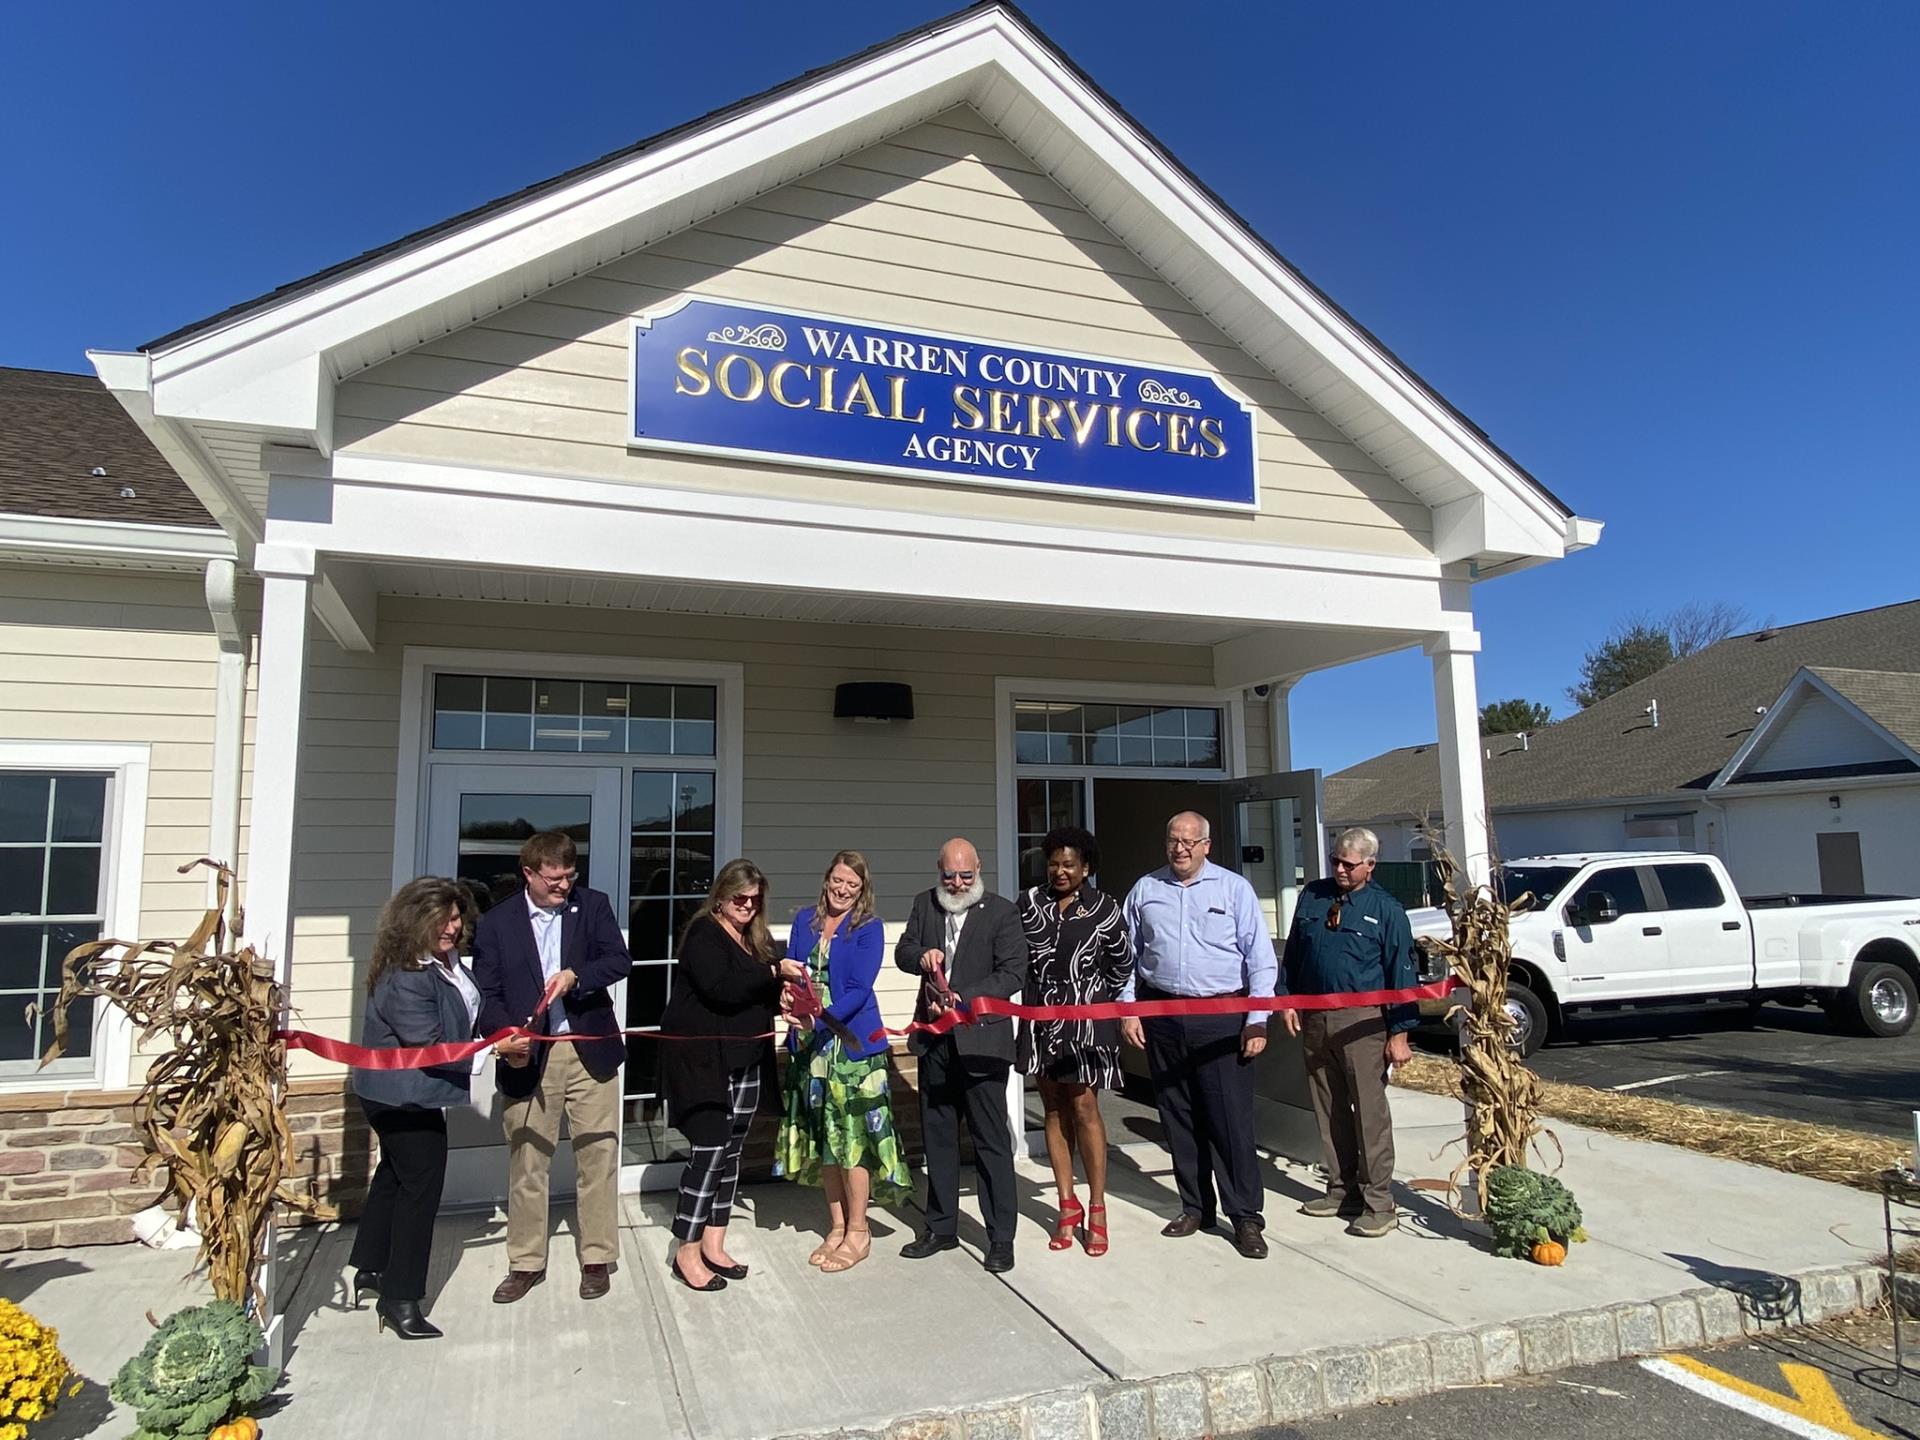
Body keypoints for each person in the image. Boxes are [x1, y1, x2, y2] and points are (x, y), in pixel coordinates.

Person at [473, 831, 631, 1303]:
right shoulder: (497, 923)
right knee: (528, 1160)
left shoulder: (594, 906)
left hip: (588, 1048)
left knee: (598, 1156)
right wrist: (506, 1036)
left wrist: (577, 977)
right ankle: (525, 1263)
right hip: (528, 1056)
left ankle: (598, 1258)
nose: (563, 885)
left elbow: (618, 961)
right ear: (529, 873)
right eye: (554, 878)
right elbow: (488, 995)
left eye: (569, 876)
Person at [1119, 811, 1275, 1260]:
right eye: (1173, 840)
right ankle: (1195, 1206)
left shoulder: (1233, 889)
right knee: (1178, 1117)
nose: (1180, 848)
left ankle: (1245, 1217)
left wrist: (1257, 1019)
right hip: (1163, 1016)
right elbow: (1127, 955)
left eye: (1190, 841)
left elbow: (1260, 959)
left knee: (1229, 1122)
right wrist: (1129, 1011)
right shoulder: (1146, 890)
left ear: (1207, 844)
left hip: (1222, 1019)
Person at [659, 859, 807, 1291]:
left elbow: (759, 990)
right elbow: (722, 988)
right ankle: (685, 1251)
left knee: (731, 1154)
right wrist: (773, 973)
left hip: (746, 1059)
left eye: (754, 900)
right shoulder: (704, 934)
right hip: (702, 1063)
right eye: (739, 898)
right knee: (708, 1151)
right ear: (721, 897)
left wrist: (782, 995)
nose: (746, 906)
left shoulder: (757, 941)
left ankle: (714, 1242)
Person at [350, 877, 487, 1340]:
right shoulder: (405, 976)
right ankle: (400, 1298)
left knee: (395, 1174)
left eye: (456, 917)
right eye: (443, 919)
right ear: (416, 921)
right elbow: (429, 1044)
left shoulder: (442, 962)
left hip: (411, 1093)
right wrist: (495, 1050)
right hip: (400, 1096)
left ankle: (370, 1265)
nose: (454, 926)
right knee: (420, 1189)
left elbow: (462, 1012)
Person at [773, 850, 912, 1274]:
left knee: (852, 1140)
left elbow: (857, 989)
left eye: (852, 884)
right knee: (825, 1141)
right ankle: (835, 1225)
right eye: (837, 880)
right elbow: (795, 973)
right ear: (826, 879)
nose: (843, 889)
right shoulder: (803, 922)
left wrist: (818, 1014)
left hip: (851, 1047)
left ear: (862, 889)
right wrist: (785, 991)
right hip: (811, 1049)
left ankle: (859, 1229)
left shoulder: (868, 930)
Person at [894, 837, 1028, 1272]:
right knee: (938, 1140)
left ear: (979, 869)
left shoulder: (1002, 911)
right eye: (949, 875)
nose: (956, 883)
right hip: (935, 1044)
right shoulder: (923, 904)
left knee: (991, 1143)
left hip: (982, 1045)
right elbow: (903, 951)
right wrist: (921, 957)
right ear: (939, 871)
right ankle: (941, 1227)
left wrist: (961, 997)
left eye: (965, 875)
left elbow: (1012, 971)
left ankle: (1001, 1238)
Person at [1278, 826, 1418, 1238]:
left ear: (1370, 865)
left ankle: (1379, 1202)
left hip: (1364, 1022)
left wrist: (1400, 1033)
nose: (1339, 868)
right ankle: (1341, 1189)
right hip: (1317, 1017)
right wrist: (1288, 999)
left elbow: (1402, 973)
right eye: (1336, 860)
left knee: (1369, 1114)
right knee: (1329, 1107)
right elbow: (1296, 954)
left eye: (1349, 864)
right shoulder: (1313, 896)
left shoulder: (1386, 909)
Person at [1017, 826, 1131, 1257]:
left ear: (1086, 868)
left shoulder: (1105, 909)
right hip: (1040, 1021)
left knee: (1084, 1105)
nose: (1060, 871)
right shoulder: (1029, 903)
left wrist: (1092, 998)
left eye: (1069, 864)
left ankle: (1097, 1205)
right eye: (1054, 863)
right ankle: (1067, 1205)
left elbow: (1121, 965)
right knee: (1052, 1107)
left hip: (1087, 1024)